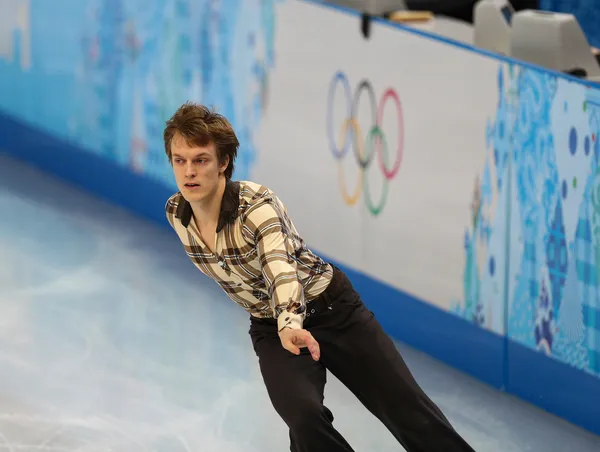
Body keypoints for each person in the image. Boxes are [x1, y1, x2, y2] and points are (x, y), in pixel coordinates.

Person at [163, 102, 476, 452]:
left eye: (201, 160)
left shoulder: (257, 207)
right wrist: (280, 326)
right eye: (180, 160)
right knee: (304, 418)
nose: (189, 171)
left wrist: (289, 322)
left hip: (333, 312)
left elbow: (280, 268)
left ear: (223, 164)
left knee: (411, 415)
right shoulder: (178, 214)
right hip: (270, 328)